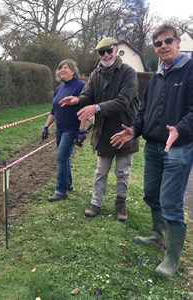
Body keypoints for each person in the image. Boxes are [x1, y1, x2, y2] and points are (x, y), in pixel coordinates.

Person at [111, 24, 193, 278]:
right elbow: (143, 112)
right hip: (154, 146)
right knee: (151, 194)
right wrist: (134, 130)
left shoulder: (190, 71)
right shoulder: (156, 77)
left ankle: (173, 257)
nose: (163, 46)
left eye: (168, 41)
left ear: (178, 42)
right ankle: (158, 235)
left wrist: (180, 128)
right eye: (158, 43)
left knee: (171, 202)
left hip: (178, 148)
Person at [59, 37, 140, 221]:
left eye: (109, 51)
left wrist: (96, 108)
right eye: (101, 52)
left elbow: (123, 102)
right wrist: (78, 100)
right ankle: (96, 202)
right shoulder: (96, 74)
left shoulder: (128, 73)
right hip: (103, 131)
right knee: (100, 171)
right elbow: (88, 94)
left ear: (116, 50)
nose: (105, 55)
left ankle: (121, 203)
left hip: (124, 131)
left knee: (122, 172)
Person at [42, 59, 86, 202]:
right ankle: (68, 184)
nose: (62, 70)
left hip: (72, 129)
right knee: (64, 157)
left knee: (61, 157)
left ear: (73, 71)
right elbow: (53, 111)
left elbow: (85, 108)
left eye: (65, 68)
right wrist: (46, 127)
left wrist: (82, 130)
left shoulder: (80, 86)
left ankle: (61, 191)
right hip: (59, 129)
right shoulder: (59, 89)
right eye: (60, 68)